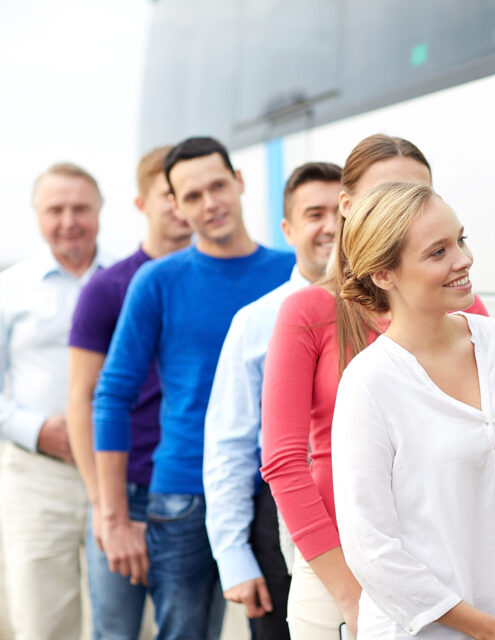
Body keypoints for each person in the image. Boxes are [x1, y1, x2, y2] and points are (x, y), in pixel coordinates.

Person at [260, 134, 488, 638]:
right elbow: (283, 462)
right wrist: (346, 590)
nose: (410, 211)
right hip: (341, 576)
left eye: (421, 195)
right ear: (347, 206)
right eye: (389, 195)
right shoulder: (308, 312)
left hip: (451, 570)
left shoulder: (470, 314)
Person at [93, 137, 295, 639]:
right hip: (185, 494)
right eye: (192, 196)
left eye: (219, 186)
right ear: (177, 207)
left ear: (240, 182)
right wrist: (114, 515)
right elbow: (112, 395)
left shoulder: (292, 272)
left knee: (287, 632)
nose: (211, 204)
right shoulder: (157, 282)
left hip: (279, 490)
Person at [330, 182, 495, 639]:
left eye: (461, 239)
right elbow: (372, 549)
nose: (463, 259)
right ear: (384, 275)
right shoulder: (368, 383)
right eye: (437, 252)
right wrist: (487, 629)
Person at [204, 161, 342, 639]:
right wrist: (233, 556)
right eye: (314, 214)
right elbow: (229, 442)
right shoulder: (257, 321)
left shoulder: (386, 308)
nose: (331, 227)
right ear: (288, 229)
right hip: (277, 515)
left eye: (341, 212)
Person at [67, 145, 192, 639]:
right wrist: (105, 505)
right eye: (170, 194)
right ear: (143, 203)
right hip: (127, 489)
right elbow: (81, 398)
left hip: (192, 491)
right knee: (114, 633)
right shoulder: (107, 287)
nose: (184, 204)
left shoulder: (210, 279)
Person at [0, 162, 111, 639]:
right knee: (44, 624)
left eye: (80, 208)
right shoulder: (9, 289)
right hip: (38, 476)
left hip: (117, 472)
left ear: (100, 212)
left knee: (127, 620)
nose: (69, 220)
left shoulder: (130, 280)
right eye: (56, 209)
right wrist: (36, 429)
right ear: (37, 215)